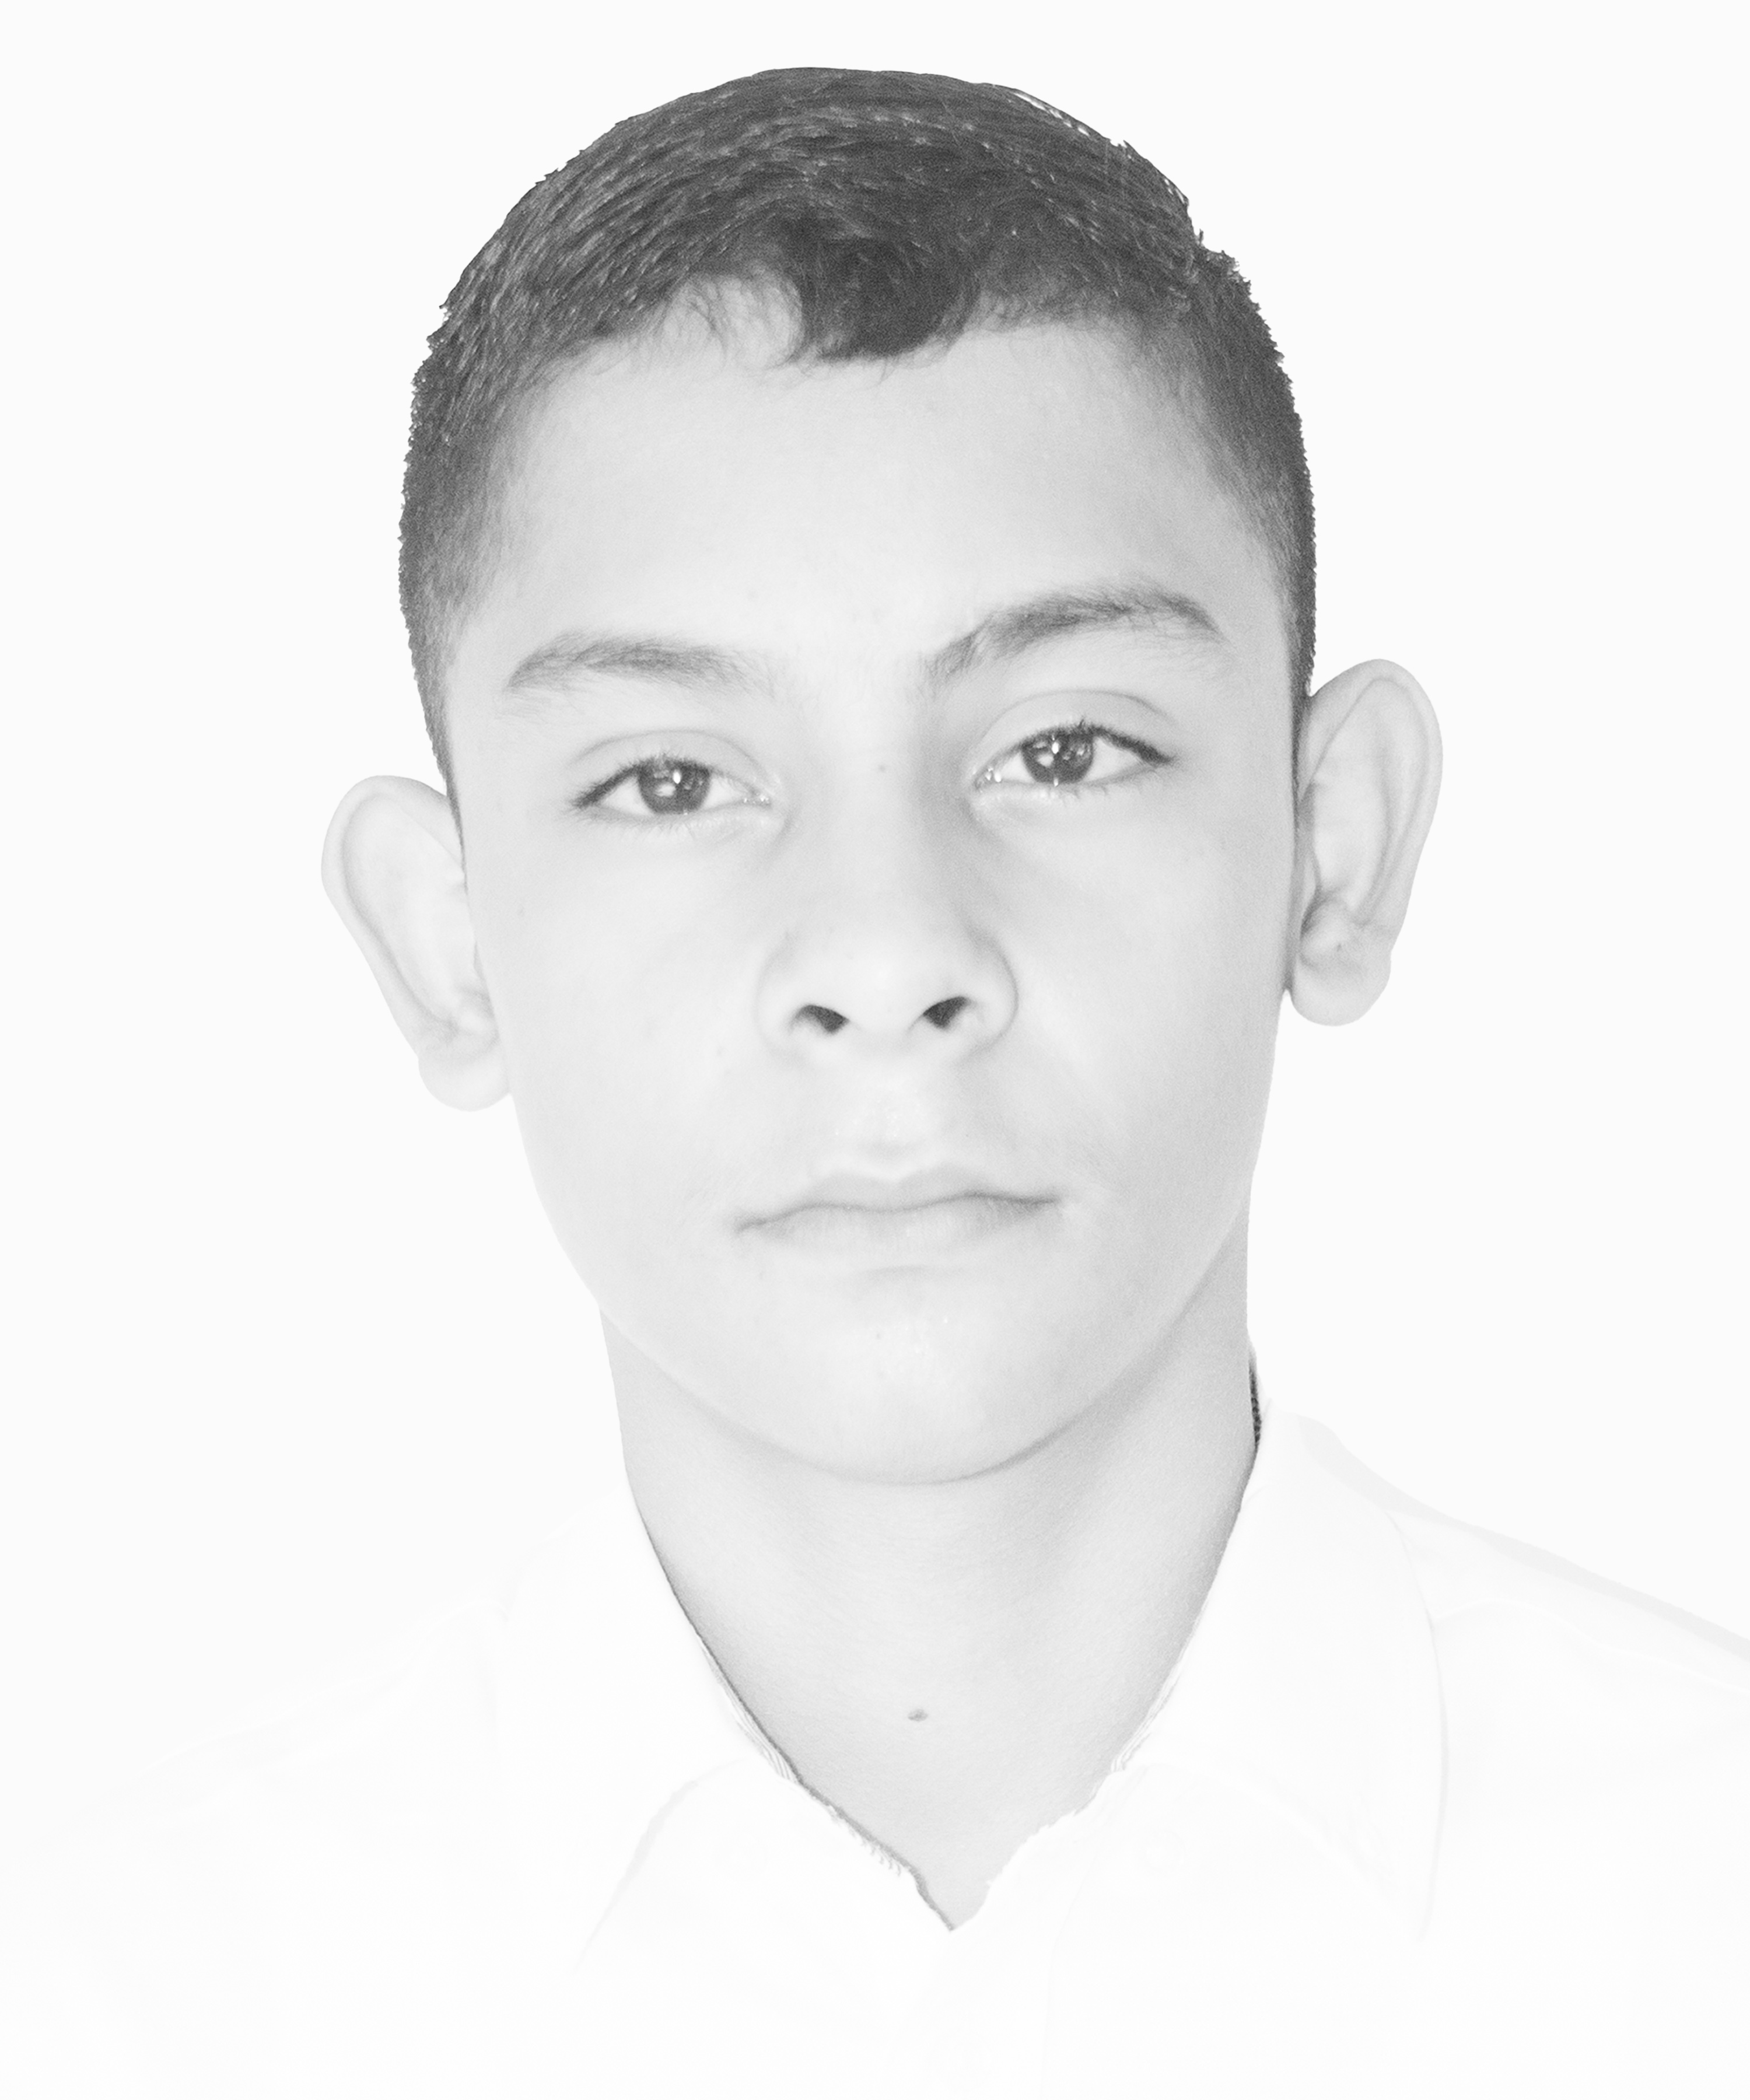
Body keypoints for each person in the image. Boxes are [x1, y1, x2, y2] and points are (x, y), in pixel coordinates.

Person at [16, 65, 1749, 2098]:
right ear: (447, 939)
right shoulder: (112, 2011)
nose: (887, 954)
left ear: (1332, 846)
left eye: (1065, 750)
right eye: (670, 782)